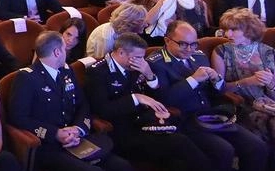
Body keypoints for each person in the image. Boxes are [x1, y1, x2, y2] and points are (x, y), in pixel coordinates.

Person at [148, 21, 269, 171]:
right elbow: (164, 99)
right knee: (224, 151)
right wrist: (193, 79)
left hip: (211, 116)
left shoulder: (199, 57)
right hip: (184, 120)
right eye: (183, 44)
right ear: (167, 40)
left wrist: (217, 81)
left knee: (257, 146)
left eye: (193, 44)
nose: (189, 49)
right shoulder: (156, 63)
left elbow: (216, 92)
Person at [85, 33, 213, 171]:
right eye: (138, 57)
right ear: (121, 52)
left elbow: (159, 97)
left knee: (179, 159)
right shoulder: (98, 72)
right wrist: (136, 98)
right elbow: (102, 110)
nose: (141, 61)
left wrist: (149, 75)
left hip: (146, 123)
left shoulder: (138, 67)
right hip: (122, 131)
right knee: (180, 143)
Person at [8, 31, 132, 171]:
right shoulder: (26, 78)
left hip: (77, 139)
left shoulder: (67, 71)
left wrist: (78, 129)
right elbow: (18, 118)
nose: (67, 51)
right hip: (49, 146)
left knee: (122, 166)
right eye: (64, 48)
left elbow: (82, 104)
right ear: (57, 52)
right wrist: (55, 133)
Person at [211, 8, 275, 167]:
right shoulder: (221, 52)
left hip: (266, 103)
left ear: (249, 29)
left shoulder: (271, 54)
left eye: (233, 30)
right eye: (225, 30)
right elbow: (218, 89)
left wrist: (271, 83)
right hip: (238, 105)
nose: (227, 35)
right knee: (274, 124)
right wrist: (247, 81)